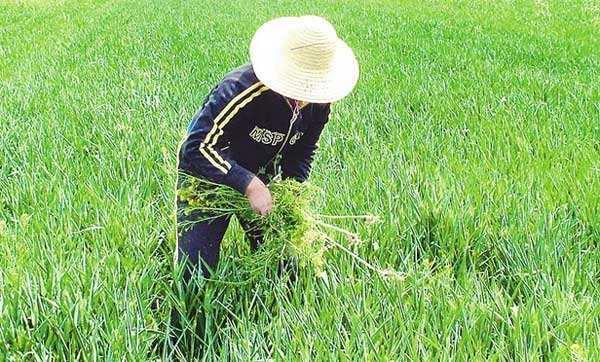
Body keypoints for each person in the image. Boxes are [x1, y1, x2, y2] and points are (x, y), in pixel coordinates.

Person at [176, 15, 359, 280]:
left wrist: (291, 191)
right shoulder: (241, 89)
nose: (304, 96)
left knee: (286, 268)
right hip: (209, 175)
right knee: (195, 274)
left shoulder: (320, 102)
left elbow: (302, 151)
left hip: (263, 175)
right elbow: (196, 147)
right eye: (300, 83)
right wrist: (249, 184)